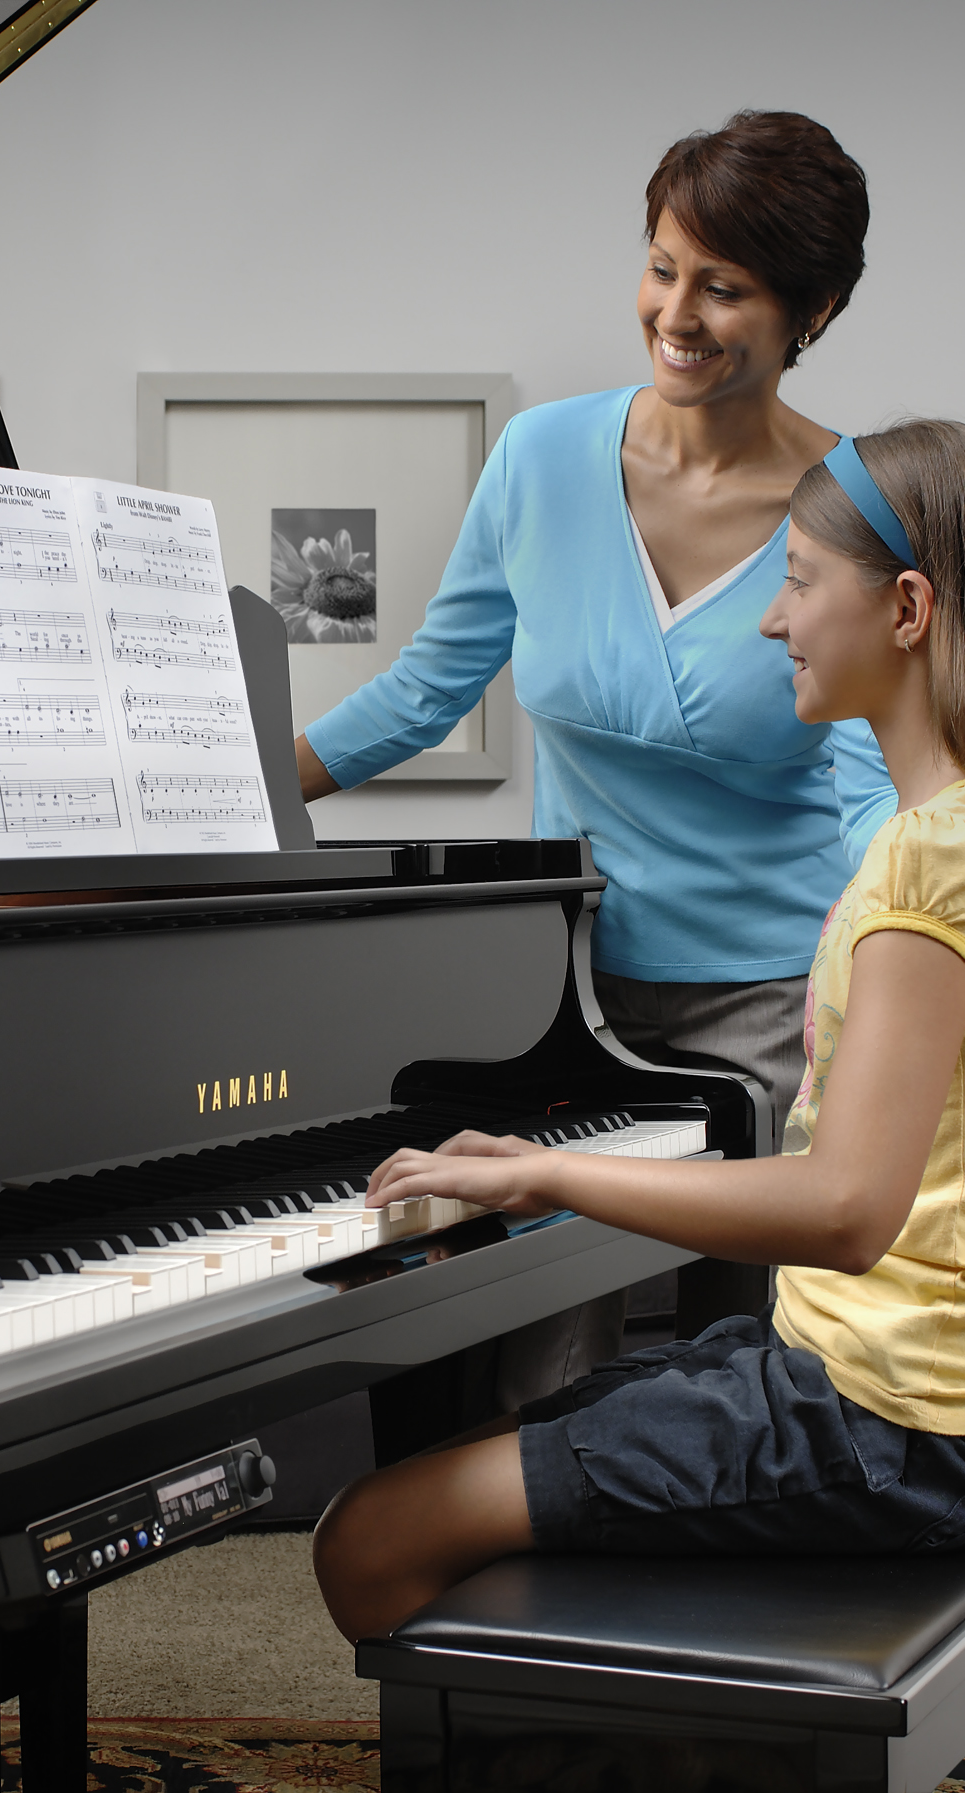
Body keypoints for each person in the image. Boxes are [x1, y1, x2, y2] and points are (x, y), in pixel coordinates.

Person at [309, 419, 965, 1644]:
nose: (772, 621)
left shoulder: (931, 867)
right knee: (506, 1439)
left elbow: (845, 1210)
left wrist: (543, 1169)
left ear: (907, 607)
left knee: (369, 1536)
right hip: (955, 1403)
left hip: (900, 1430)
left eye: (796, 581)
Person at [294, 111, 893, 1362]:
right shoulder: (540, 457)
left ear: (813, 312)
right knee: (528, 1347)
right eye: (664, 266)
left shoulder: (861, 504)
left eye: (723, 288)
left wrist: (913, 957)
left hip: (772, 1004)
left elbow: (872, 785)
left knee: (755, 1365)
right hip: (561, 988)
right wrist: (224, 791)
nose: (677, 311)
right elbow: (423, 690)